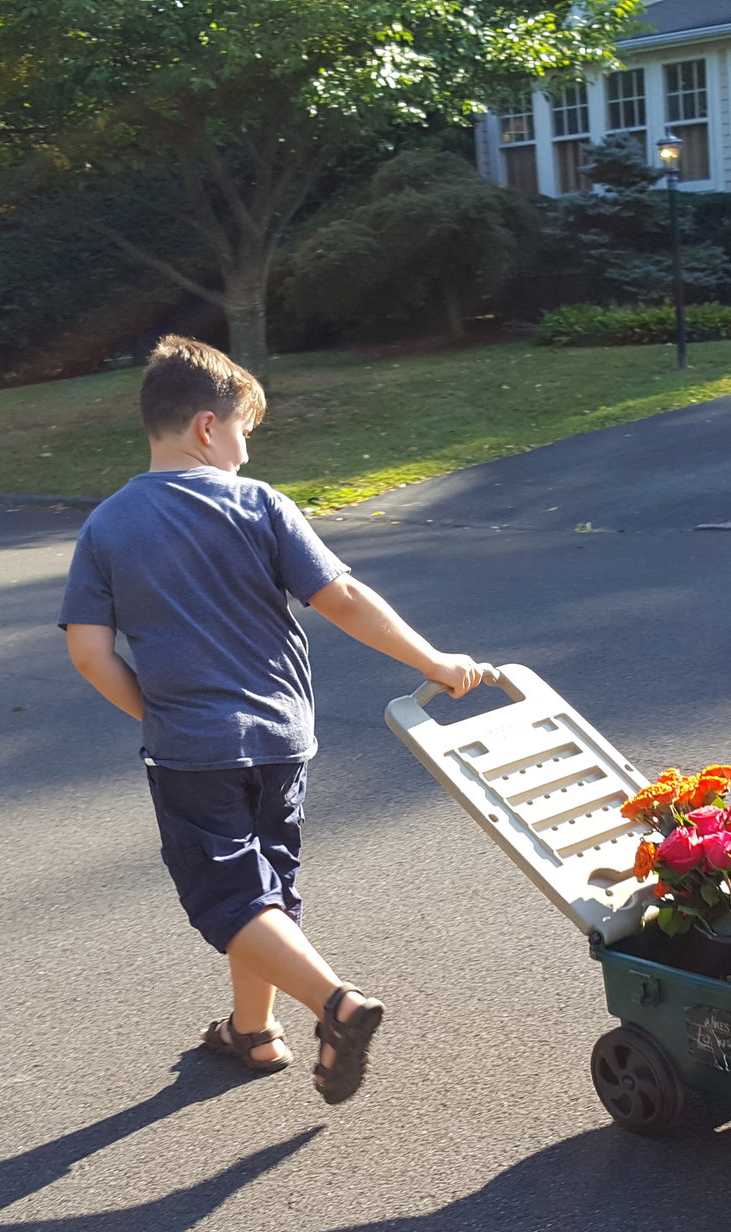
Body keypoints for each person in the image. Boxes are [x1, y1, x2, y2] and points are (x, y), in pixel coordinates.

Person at [60, 336, 485, 1105]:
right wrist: (432, 660)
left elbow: (90, 654)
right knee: (264, 892)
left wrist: (155, 715)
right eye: (244, 429)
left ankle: (336, 1004)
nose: (246, 449)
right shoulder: (262, 506)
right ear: (205, 428)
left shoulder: (108, 525)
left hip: (193, 749)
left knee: (227, 898)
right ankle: (252, 1032)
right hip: (283, 740)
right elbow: (343, 600)